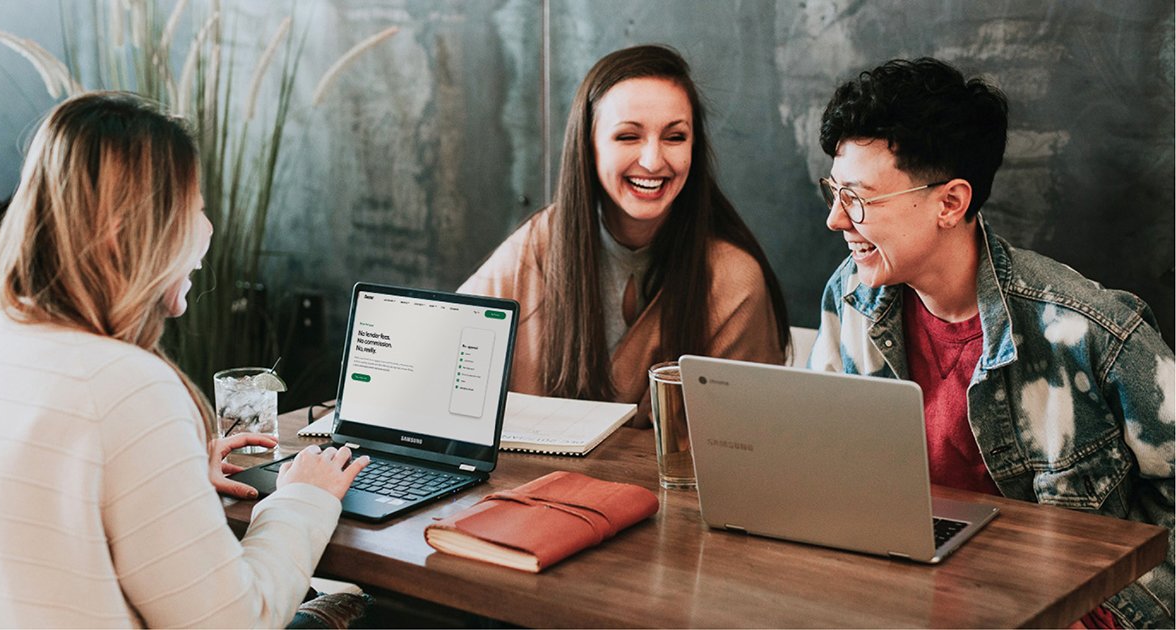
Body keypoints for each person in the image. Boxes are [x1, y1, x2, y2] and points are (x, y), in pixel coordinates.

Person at [0, 91, 372, 627]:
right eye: (195, 208)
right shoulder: (128, 385)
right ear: (126, 233)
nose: (206, 231)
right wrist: (301, 498)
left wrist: (169, 475)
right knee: (351, 600)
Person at [808, 58, 1174, 628]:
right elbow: (822, 462)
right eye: (834, 191)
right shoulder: (851, 294)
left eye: (858, 198)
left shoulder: (1090, 331)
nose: (835, 219)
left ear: (950, 203)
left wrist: (1106, 616)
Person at [460, 45, 791, 424]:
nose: (653, 161)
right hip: (531, 482)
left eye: (675, 137)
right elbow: (442, 352)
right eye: (628, 137)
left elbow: (749, 442)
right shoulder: (540, 243)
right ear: (589, 146)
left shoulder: (734, 280)